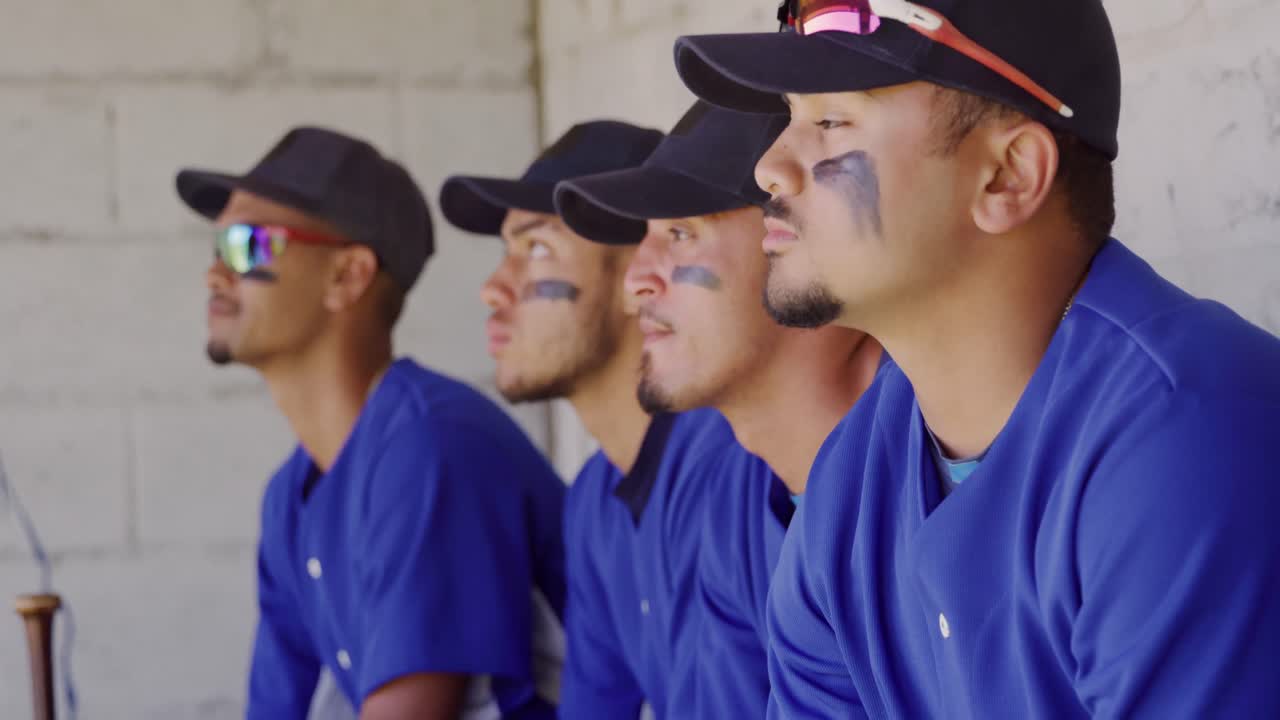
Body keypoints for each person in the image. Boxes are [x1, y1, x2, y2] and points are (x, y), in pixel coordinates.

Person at [672, 0, 1280, 716]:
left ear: (1007, 176)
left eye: (830, 121)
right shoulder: (847, 485)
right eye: (790, 119)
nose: (770, 168)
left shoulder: (1191, 429)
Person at [177, 126, 567, 720]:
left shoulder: (431, 446)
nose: (216, 274)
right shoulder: (292, 494)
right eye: (217, 249)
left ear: (348, 275)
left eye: (247, 245)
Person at [554, 100, 883, 718]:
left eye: (680, 234)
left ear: (802, 239)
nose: (636, 284)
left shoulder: (944, 462)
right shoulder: (741, 498)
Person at [443, 120, 743, 720]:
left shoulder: (734, 461)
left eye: (537, 250)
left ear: (638, 272)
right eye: (507, 254)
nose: (494, 290)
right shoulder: (594, 502)